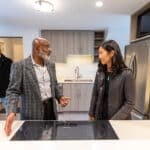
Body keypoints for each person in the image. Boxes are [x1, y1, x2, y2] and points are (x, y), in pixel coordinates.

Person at [5, 37, 70, 136]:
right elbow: (13, 91)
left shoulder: (51, 65)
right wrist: (11, 111)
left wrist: (60, 97)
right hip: (32, 113)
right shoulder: (20, 66)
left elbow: (54, 84)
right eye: (47, 47)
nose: (50, 50)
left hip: (51, 110)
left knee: (51, 136)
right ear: (36, 49)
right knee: (33, 140)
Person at [89, 40, 135, 120]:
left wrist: (114, 121)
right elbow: (95, 94)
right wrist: (91, 114)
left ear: (111, 53)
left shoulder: (126, 74)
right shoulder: (100, 72)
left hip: (118, 121)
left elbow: (130, 103)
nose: (99, 56)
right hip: (100, 118)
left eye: (101, 53)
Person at [0, 47, 12, 113]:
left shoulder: (8, 61)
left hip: (5, 89)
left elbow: (13, 76)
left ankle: (10, 123)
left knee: (9, 111)